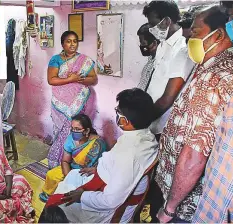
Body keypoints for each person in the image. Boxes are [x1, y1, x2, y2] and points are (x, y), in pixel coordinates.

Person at [155, 6, 233, 223]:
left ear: (218, 34)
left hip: (186, 203)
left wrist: (170, 208)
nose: (190, 37)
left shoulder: (216, 75)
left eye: (195, 32)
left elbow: (195, 152)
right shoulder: (214, 62)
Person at [46, 88, 158, 223]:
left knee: (53, 210)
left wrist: (82, 196)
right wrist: (97, 170)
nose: (117, 114)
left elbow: (110, 201)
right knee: (73, 175)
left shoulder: (129, 156)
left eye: (119, 112)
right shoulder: (145, 137)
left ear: (126, 121)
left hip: (104, 206)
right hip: (104, 179)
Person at [191, 3, 233, 223]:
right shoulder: (205, 64)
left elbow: (197, 148)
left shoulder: (224, 72)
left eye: (232, 15)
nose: (232, 24)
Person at [142, 0, 195, 137]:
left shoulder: (183, 50)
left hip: (163, 125)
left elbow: (168, 98)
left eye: (153, 24)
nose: (151, 29)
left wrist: (141, 121)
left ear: (166, 21)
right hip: (151, 119)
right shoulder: (162, 45)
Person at [47, 30, 98, 169]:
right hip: (60, 104)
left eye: (75, 41)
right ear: (62, 44)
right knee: (62, 130)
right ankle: (58, 162)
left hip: (78, 103)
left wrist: (80, 79)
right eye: (68, 41)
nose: (72, 44)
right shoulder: (56, 60)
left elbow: (93, 79)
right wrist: (70, 79)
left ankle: (74, 161)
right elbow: (51, 80)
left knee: (77, 131)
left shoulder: (84, 60)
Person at [39, 114, 107, 202]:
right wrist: (68, 177)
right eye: (72, 128)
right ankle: (53, 197)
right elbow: (65, 161)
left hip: (87, 173)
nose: (74, 131)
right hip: (72, 168)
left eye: (77, 129)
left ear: (87, 130)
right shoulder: (70, 139)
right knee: (51, 175)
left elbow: (99, 167)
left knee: (85, 188)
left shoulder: (98, 144)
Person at [136, 23, 159, 91]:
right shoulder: (150, 60)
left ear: (154, 44)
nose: (141, 46)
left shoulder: (159, 65)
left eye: (143, 43)